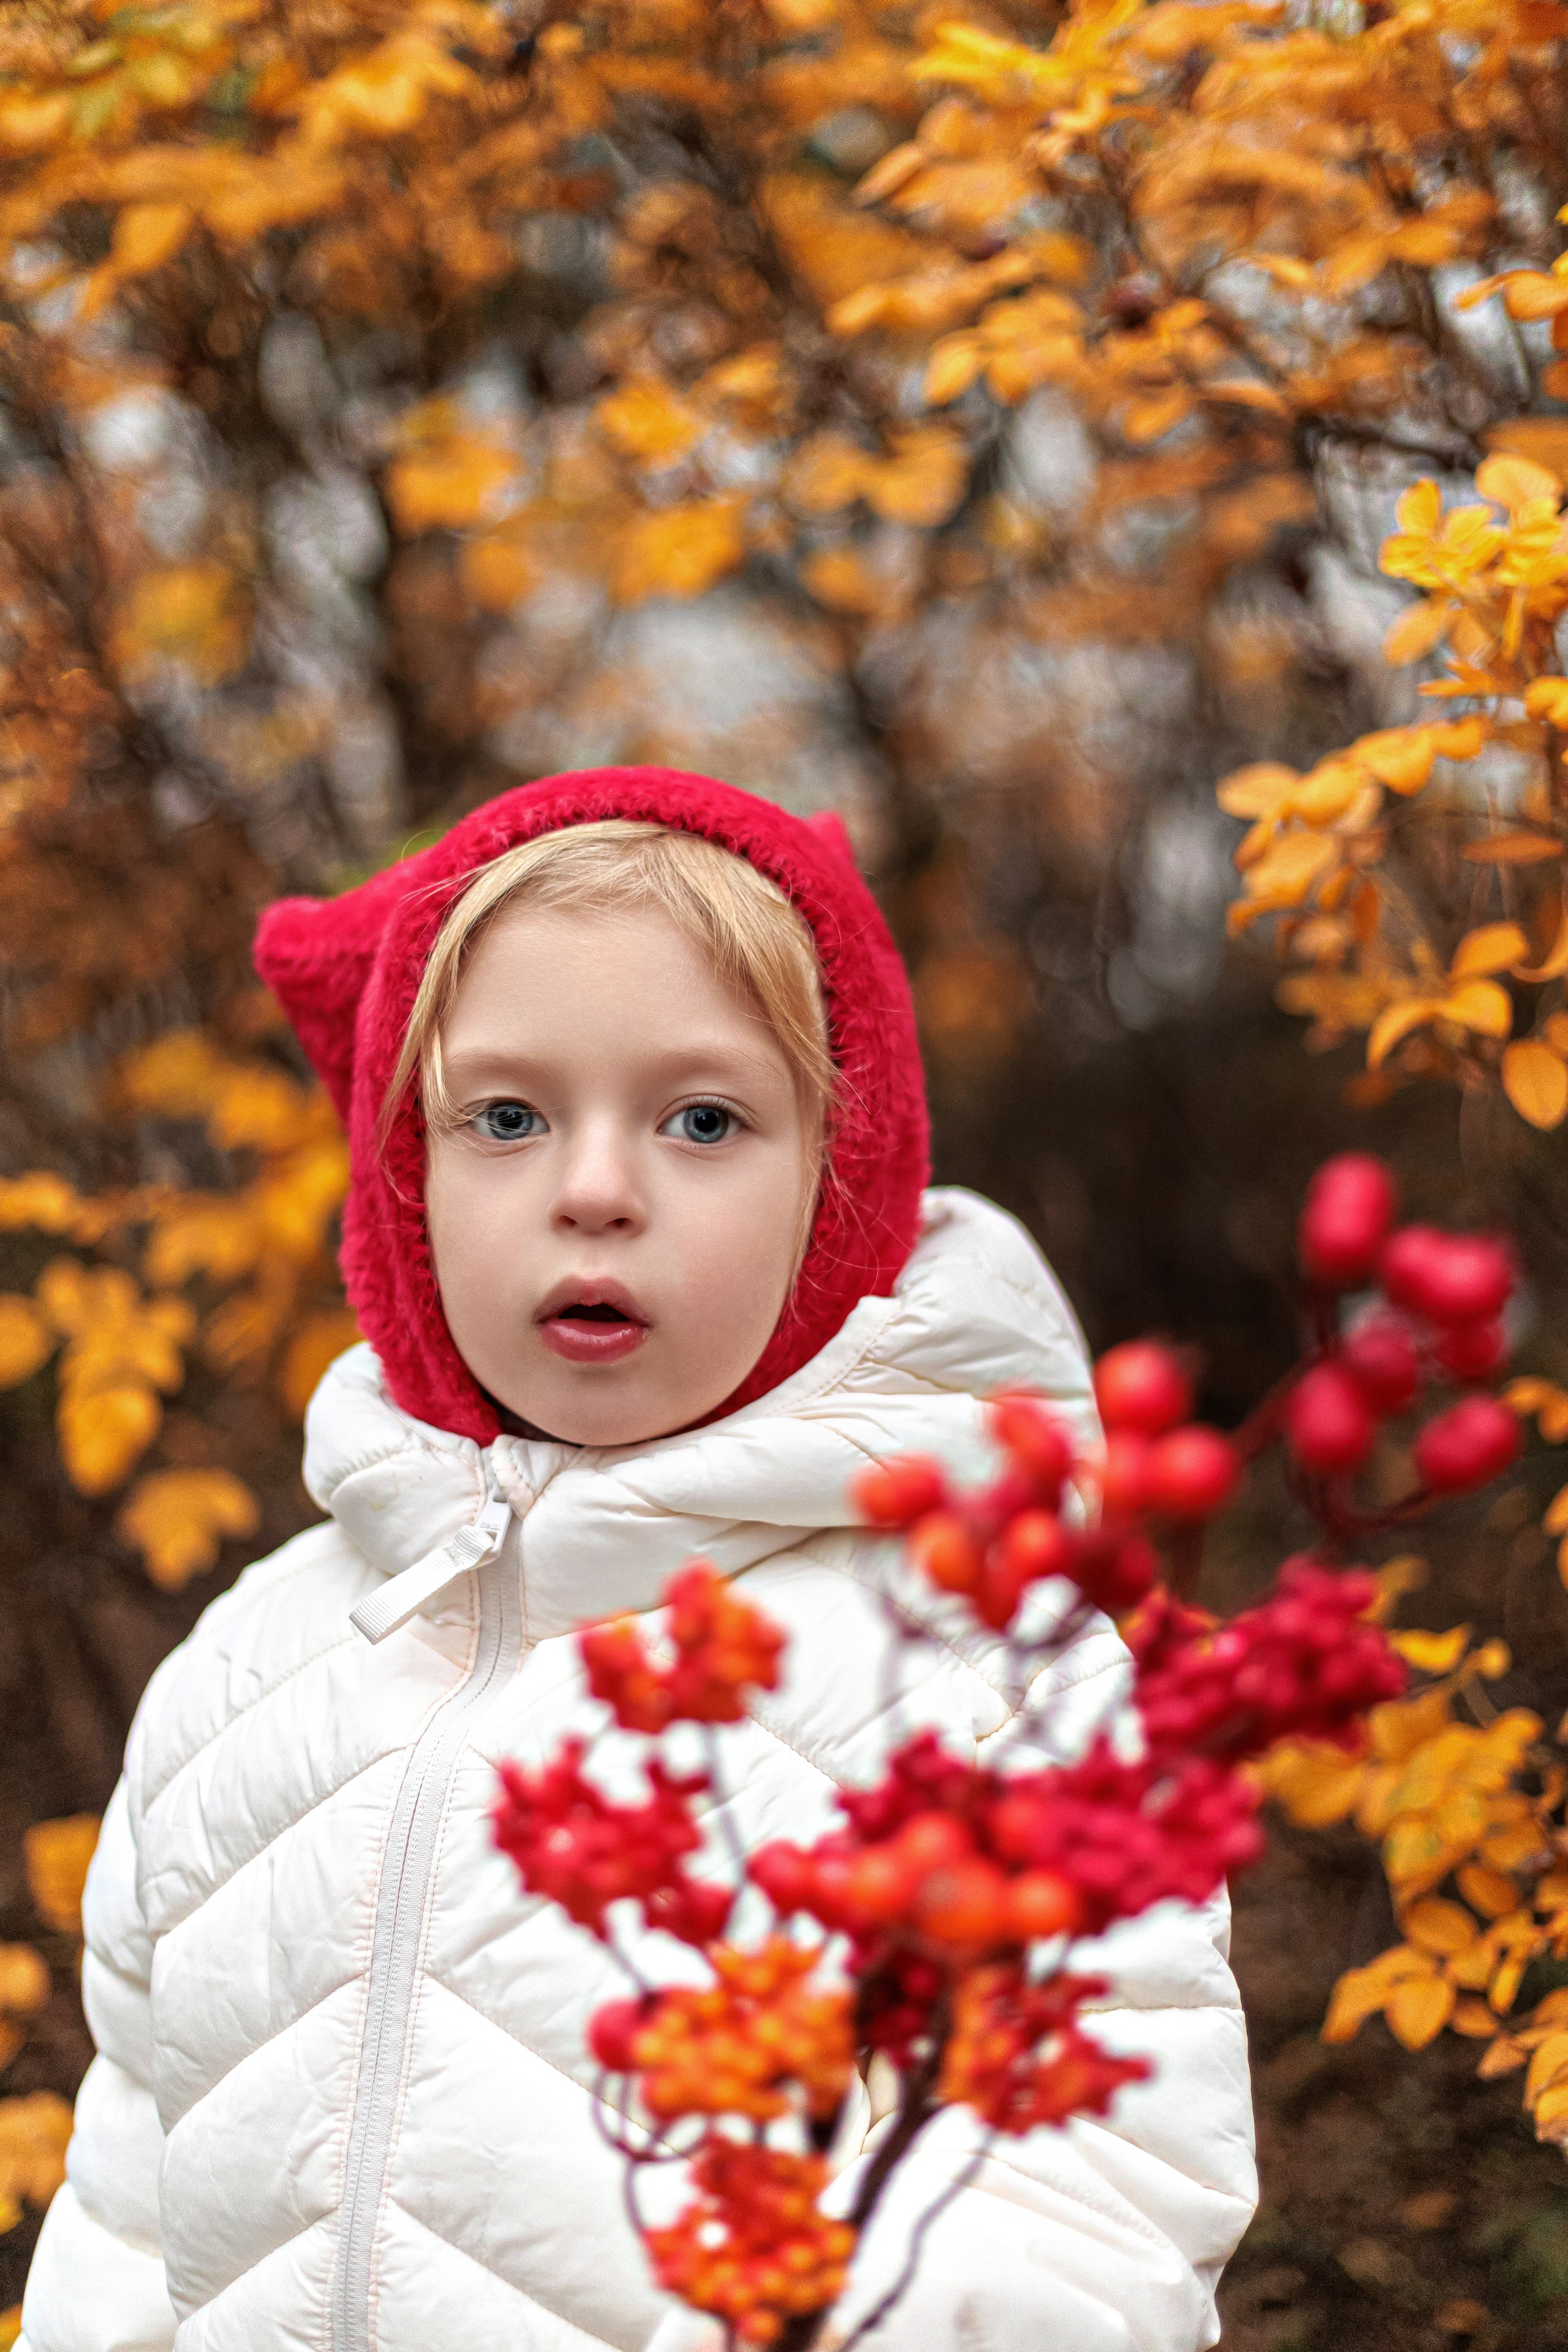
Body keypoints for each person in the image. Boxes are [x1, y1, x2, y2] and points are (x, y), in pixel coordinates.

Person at [18, 769, 1256, 2352]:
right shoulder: (252, 1668)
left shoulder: (981, 1672)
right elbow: (131, 2208)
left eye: (702, 1120)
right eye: (509, 1118)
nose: (594, 1189)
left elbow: (1077, 2216)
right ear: (407, 1180)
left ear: (840, 1178)